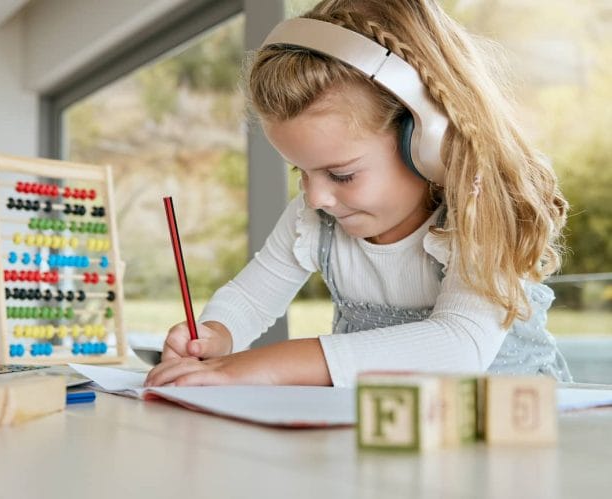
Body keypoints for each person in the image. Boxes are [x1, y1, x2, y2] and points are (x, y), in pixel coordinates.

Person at [146, 0, 571, 388]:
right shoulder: (315, 217)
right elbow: (250, 297)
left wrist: (260, 366)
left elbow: (458, 346)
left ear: (426, 140)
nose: (316, 197)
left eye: (341, 174)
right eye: (301, 171)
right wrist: (216, 334)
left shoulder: (483, 214)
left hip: (512, 442)